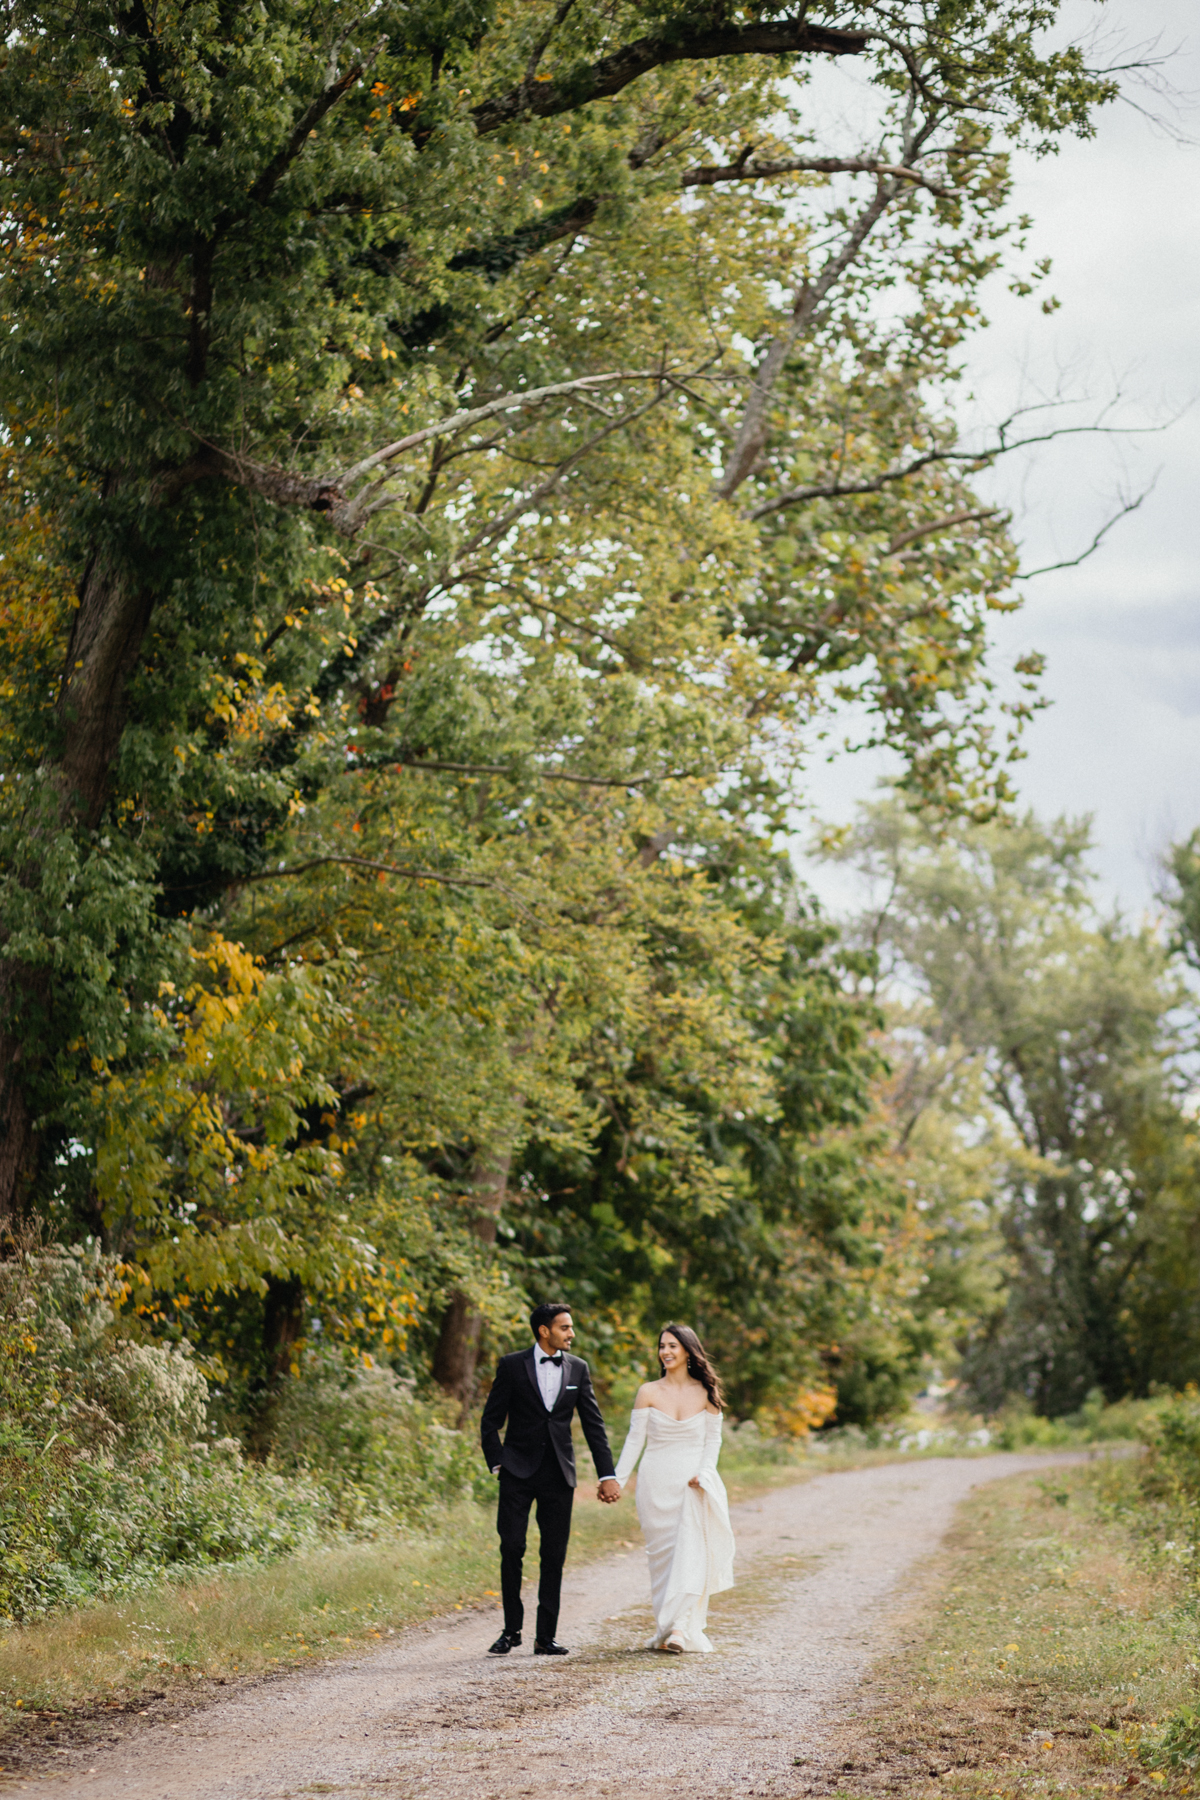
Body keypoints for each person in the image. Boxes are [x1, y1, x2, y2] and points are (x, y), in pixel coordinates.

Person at [480, 1301, 620, 1656]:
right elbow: (490, 1421)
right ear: (544, 1331)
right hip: (516, 1473)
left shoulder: (578, 1368)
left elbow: (594, 1426)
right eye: (565, 1327)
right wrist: (498, 1464)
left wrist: (607, 1475)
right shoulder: (512, 1365)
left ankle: (546, 1636)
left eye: (571, 1328)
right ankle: (511, 1630)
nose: (571, 1334)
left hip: (559, 1474)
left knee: (553, 1554)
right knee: (511, 1546)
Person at [611, 1322, 735, 1652]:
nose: (665, 1352)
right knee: (661, 1557)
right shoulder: (648, 1391)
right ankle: (666, 1626)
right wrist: (617, 1479)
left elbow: (713, 1440)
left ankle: (681, 1628)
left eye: (672, 1346)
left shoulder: (707, 1392)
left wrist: (705, 1473)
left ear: (688, 1350)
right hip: (655, 1481)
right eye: (662, 1346)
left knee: (692, 1552)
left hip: (692, 1482)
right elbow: (634, 1441)